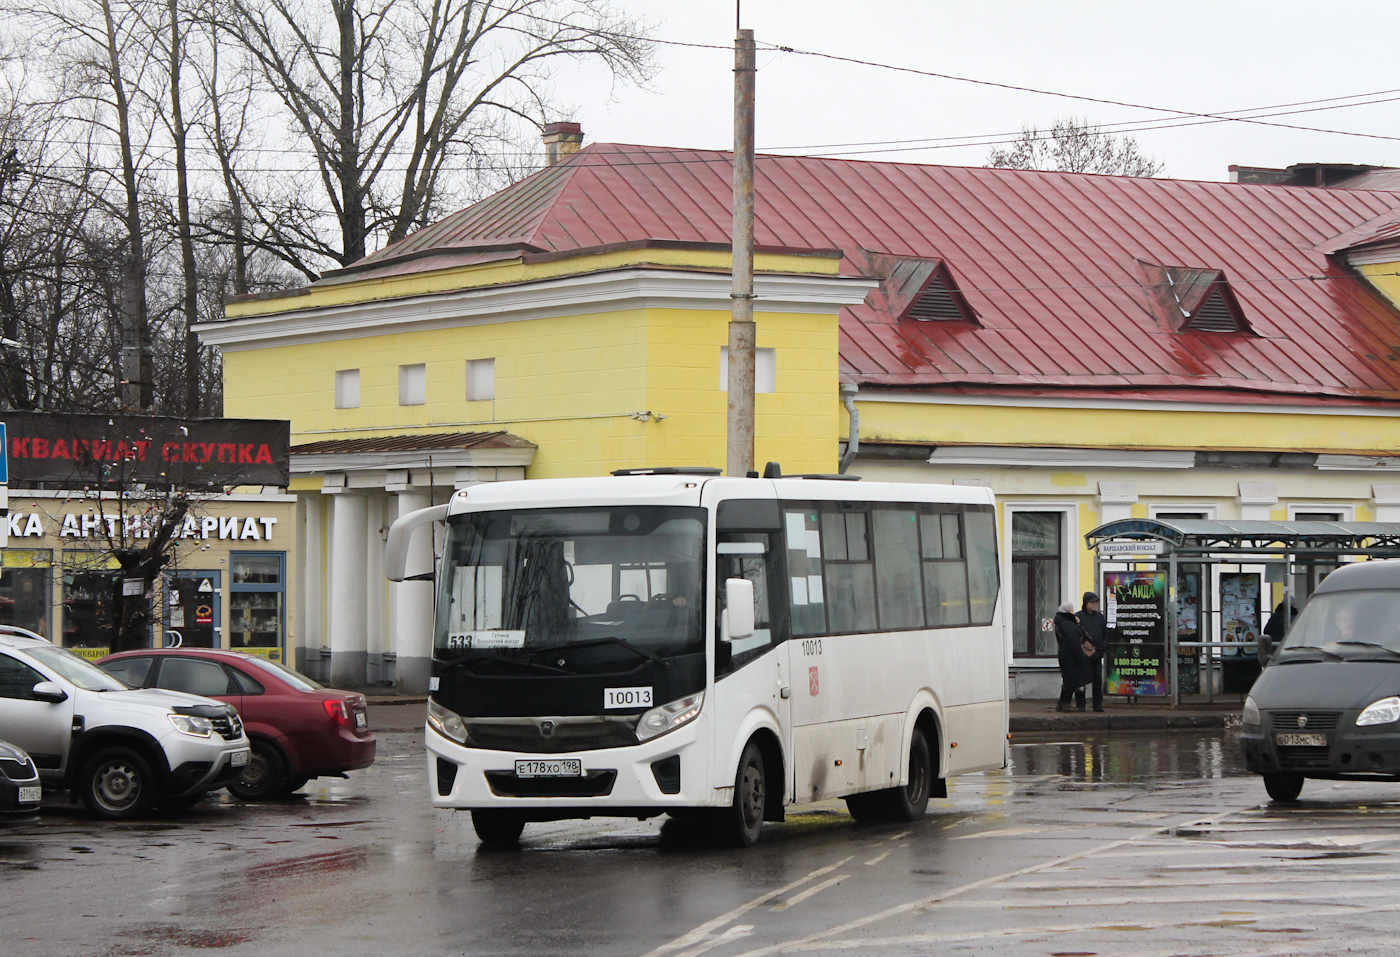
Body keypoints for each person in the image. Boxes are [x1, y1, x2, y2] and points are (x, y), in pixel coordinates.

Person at [1055, 600, 1093, 712]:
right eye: (1072, 610)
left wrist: (1077, 623)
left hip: (1066, 655)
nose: (1073, 612)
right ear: (1068, 611)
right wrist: (1081, 657)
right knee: (1075, 681)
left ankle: (1063, 703)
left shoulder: (1062, 622)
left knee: (1069, 681)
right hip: (1071, 657)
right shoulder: (1067, 624)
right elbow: (1074, 641)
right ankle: (1072, 705)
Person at [1079, 591, 1108, 712]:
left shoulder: (1100, 617)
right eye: (1092, 602)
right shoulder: (1079, 617)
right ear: (1086, 603)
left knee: (1097, 680)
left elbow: (1105, 633)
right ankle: (1081, 705)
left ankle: (1097, 704)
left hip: (1097, 654)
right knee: (1081, 681)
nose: (1094, 605)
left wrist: (1104, 645)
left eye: (1096, 602)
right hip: (1083, 655)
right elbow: (1077, 634)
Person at [1258, 598, 1297, 666]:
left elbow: (1266, 631)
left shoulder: (1274, 617)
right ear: (1293, 606)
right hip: (1291, 651)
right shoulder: (1296, 619)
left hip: (1275, 650)